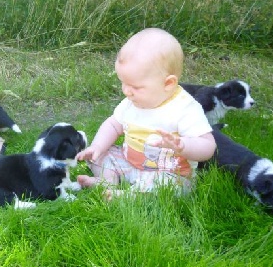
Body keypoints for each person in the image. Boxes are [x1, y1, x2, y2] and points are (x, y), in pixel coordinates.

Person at [75, 28, 216, 198]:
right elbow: (114, 124)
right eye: (123, 83)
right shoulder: (131, 101)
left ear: (168, 83)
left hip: (167, 171)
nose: (127, 91)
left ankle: (128, 197)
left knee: (169, 185)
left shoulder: (184, 108)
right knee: (101, 154)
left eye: (135, 86)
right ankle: (107, 181)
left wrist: (183, 145)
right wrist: (97, 146)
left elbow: (208, 146)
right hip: (129, 162)